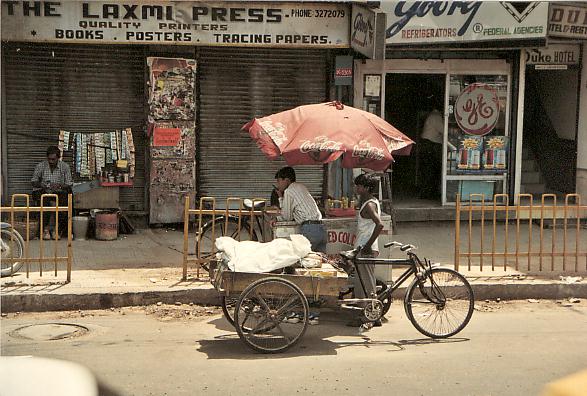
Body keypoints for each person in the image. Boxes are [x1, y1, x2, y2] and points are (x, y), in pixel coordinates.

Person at [348, 173, 384, 328]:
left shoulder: (369, 205)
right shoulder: (370, 202)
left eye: (359, 186)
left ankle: (369, 317)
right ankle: (373, 316)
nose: (357, 188)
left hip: (365, 249)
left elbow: (379, 224)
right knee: (363, 283)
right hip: (363, 248)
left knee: (366, 285)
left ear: (367, 188)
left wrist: (368, 245)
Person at [274, 166, 326, 253]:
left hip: (309, 229)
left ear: (286, 180)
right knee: (320, 261)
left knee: (306, 260)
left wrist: (276, 218)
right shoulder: (301, 186)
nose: (277, 185)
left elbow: (287, 216)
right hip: (321, 228)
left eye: (279, 181)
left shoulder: (289, 191)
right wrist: (280, 197)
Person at [31, 145, 73, 240]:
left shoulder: (65, 167)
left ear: (58, 158)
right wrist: (42, 185)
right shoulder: (41, 166)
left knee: (64, 204)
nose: (51, 161)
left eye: (53, 159)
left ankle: (57, 229)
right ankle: (45, 229)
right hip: (44, 192)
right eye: (49, 159)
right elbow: (33, 181)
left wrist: (59, 185)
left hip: (59, 192)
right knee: (44, 204)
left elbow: (69, 184)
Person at [419, 107, 444, 200]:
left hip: (427, 144)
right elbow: (443, 130)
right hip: (431, 145)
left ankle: (426, 192)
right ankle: (430, 193)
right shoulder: (436, 116)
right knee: (432, 170)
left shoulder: (432, 115)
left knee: (428, 170)